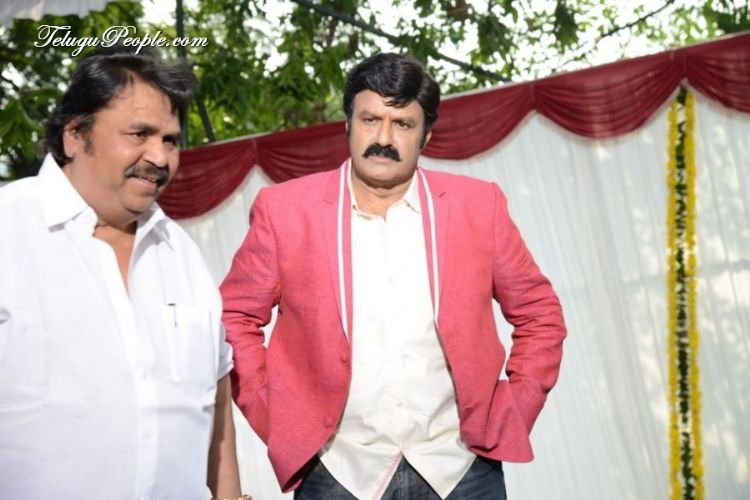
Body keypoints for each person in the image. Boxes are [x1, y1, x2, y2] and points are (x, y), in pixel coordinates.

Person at [221, 53, 566, 499]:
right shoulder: (285, 211)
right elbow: (234, 318)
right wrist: (277, 416)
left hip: (461, 467)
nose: (383, 138)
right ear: (348, 123)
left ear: (426, 135)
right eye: (370, 119)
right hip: (337, 472)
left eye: (402, 123)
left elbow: (540, 314)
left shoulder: (479, 206)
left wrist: (514, 408)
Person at [0, 46, 248, 500]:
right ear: (75, 134)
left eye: (170, 140)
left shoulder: (181, 252)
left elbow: (214, 405)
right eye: (140, 134)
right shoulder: (9, 229)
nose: (160, 157)